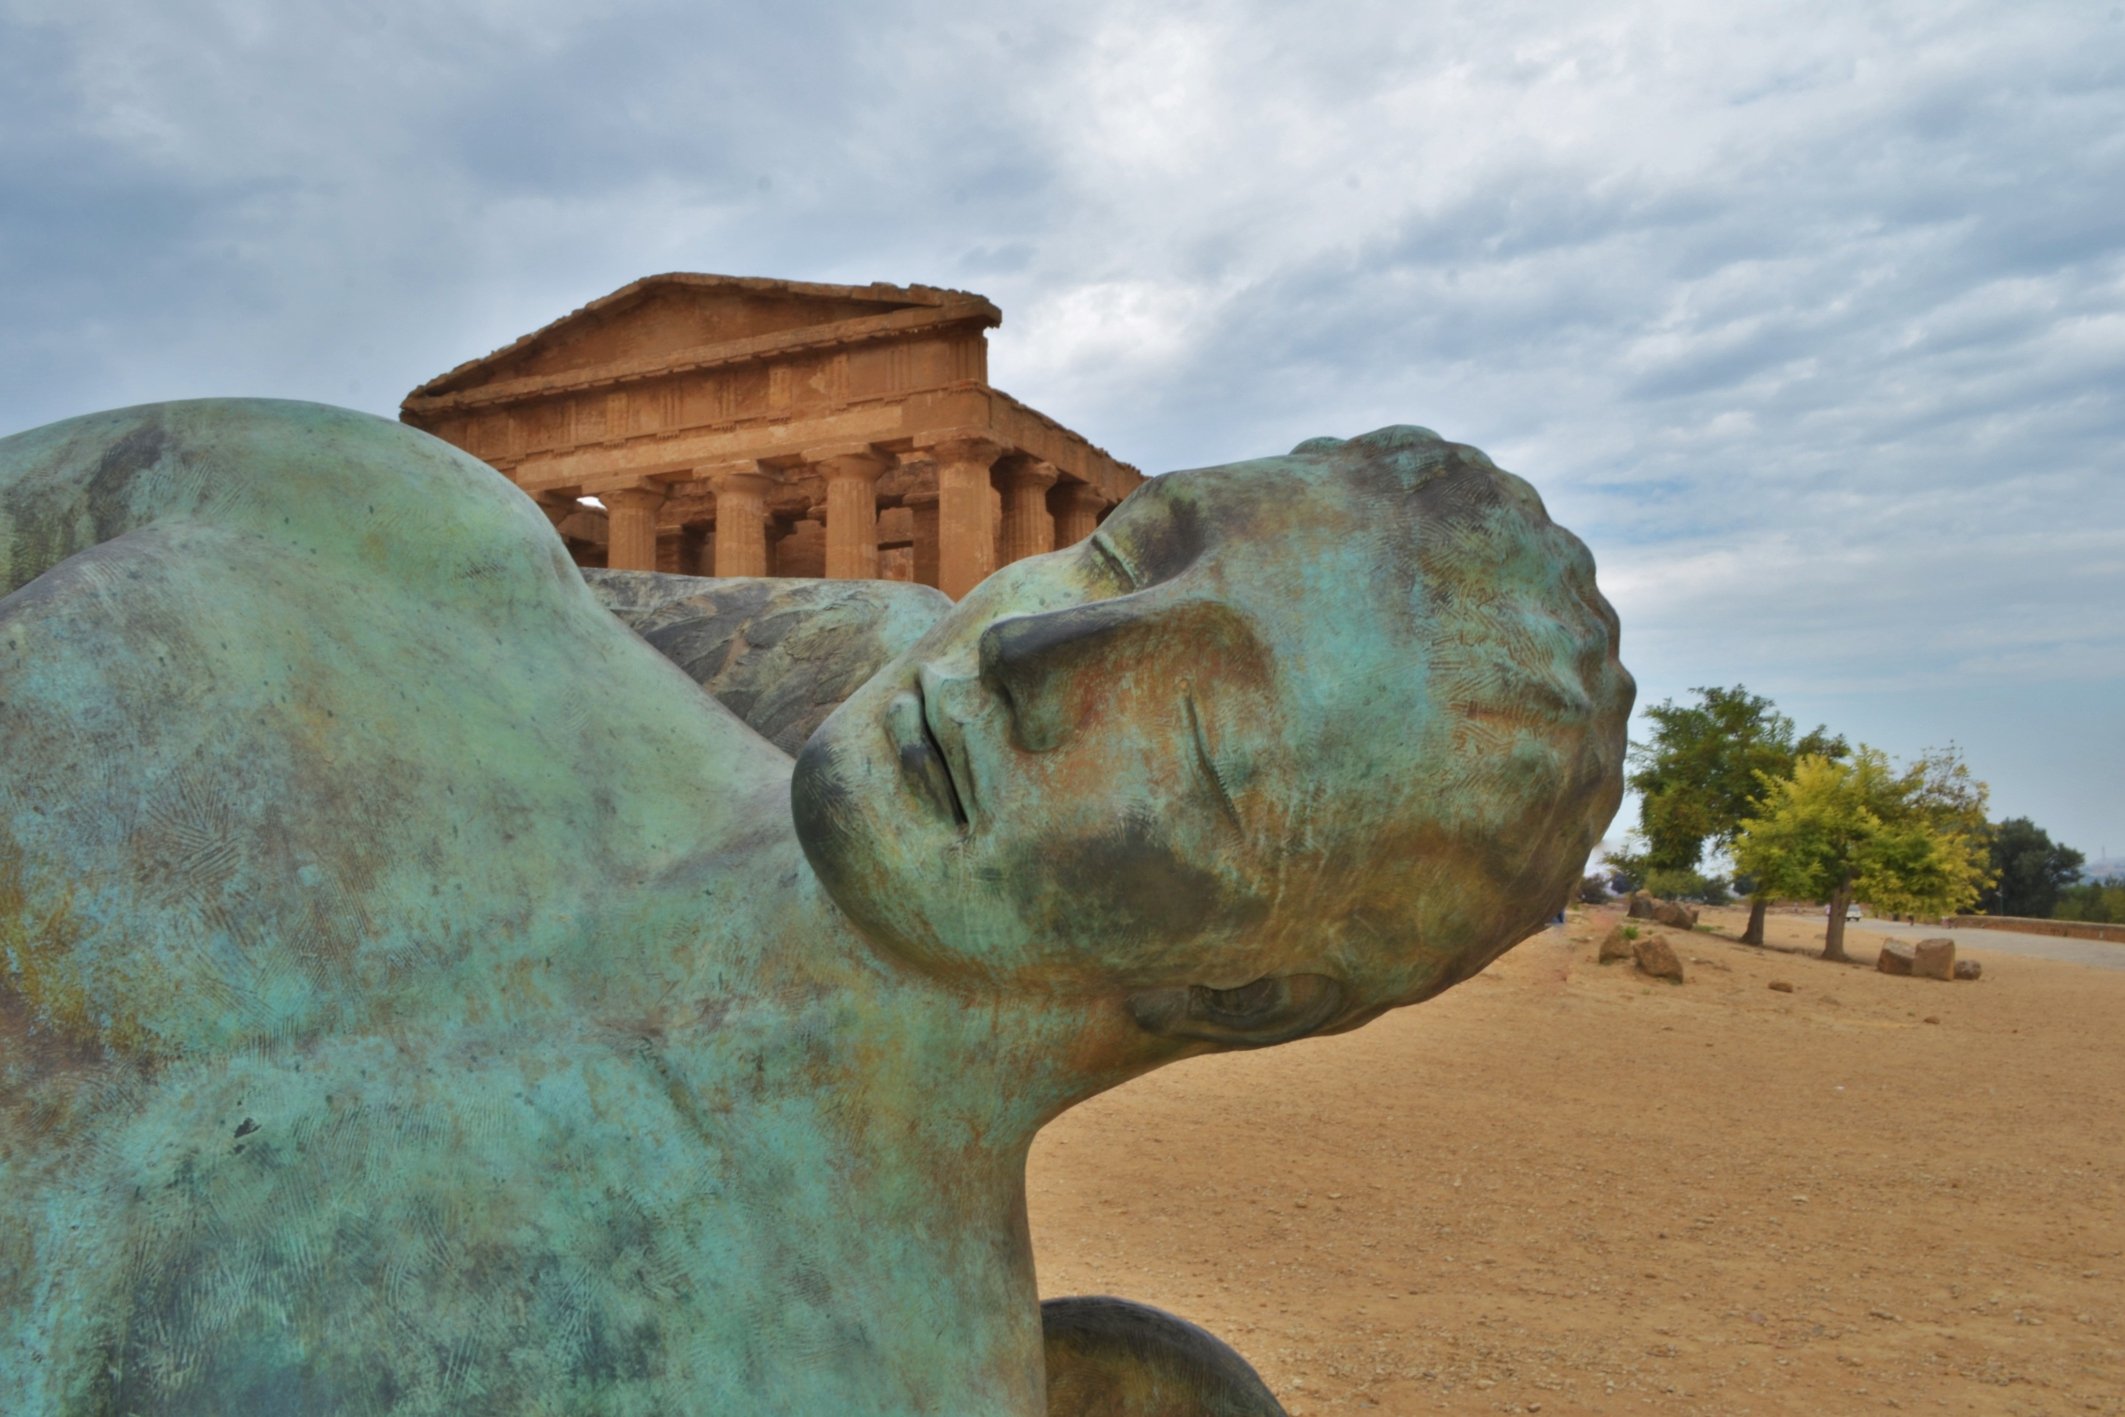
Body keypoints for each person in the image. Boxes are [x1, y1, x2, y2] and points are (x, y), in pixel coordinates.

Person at [0, 399, 1630, 1415]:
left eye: (1200, 748)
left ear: (1250, 994)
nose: (1031, 652)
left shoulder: (845, 1375)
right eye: (1123, 555)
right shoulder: (380, 530)